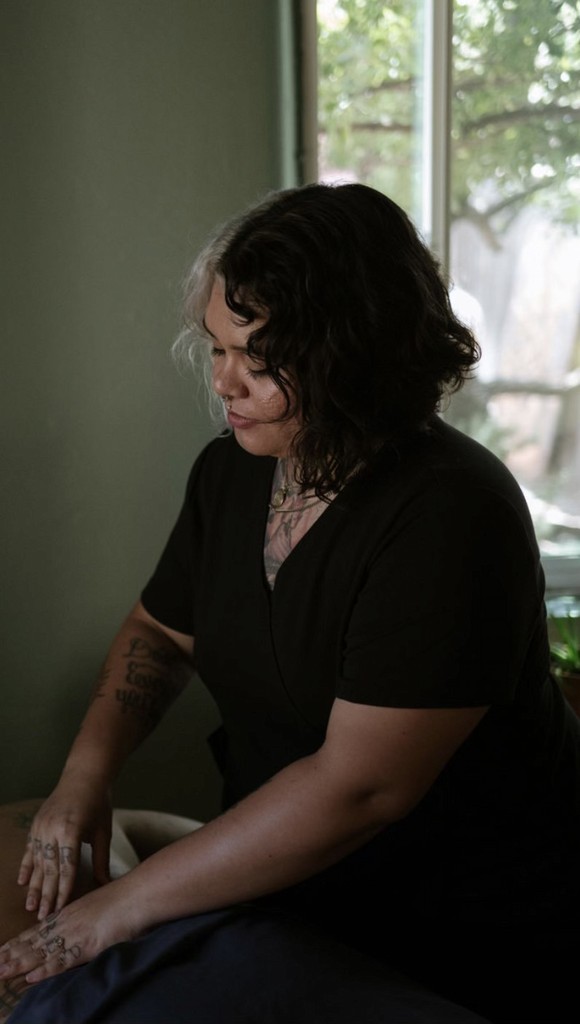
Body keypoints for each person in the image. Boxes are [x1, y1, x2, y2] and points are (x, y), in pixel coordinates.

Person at [0, 182, 578, 1024]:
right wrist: (80, 783)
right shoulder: (234, 468)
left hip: (464, 924)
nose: (225, 382)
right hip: (291, 892)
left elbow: (358, 788)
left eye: (261, 363)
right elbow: (161, 633)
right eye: (216, 348)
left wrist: (115, 911)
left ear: (359, 359)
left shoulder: (451, 513)